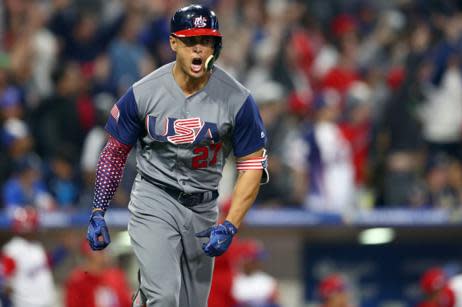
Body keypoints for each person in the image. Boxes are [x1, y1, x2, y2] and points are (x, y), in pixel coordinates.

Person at [86, 4, 268, 307]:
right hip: (155, 198)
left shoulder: (237, 99)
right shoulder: (144, 92)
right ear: (173, 43)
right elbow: (115, 152)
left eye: (206, 40)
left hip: (204, 205)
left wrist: (231, 224)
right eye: (190, 40)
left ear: (216, 46)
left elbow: (252, 166)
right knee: (165, 297)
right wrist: (97, 211)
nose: (198, 48)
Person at [64, 240, 132, 307]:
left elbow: (127, 302)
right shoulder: (78, 280)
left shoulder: (116, 276)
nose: (103, 254)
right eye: (99, 251)